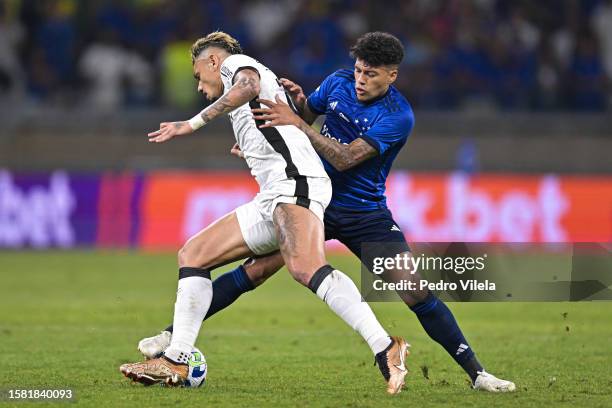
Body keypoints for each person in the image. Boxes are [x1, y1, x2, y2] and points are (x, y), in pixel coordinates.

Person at [139, 32, 516, 393]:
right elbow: (298, 113)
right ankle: (174, 339)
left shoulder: (398, 115)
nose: (360, 80)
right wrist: (292, 116)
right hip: (312, 198)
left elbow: (347, 156)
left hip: (361, 211)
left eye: (370, 74)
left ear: (392, 75)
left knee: (413, 290)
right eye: (358, 69)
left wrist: (299, 123)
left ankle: (478, 373)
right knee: (251, 271)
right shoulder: (337, 82)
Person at [119, 31, 409, 394]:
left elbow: (247, 84)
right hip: (275, 193)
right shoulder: (251, 78)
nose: (199, 85)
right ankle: (177, 356)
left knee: (306, 267)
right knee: (193, 254)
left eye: (198, 76)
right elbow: (276, 123)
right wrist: (256, 146)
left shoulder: (237, 66)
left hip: (295, 185)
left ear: (213, 61)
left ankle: (385, 347)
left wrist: (189, 125)